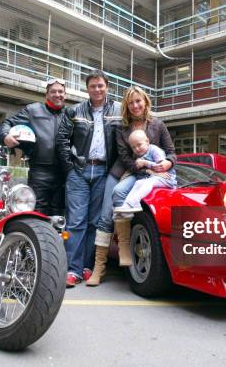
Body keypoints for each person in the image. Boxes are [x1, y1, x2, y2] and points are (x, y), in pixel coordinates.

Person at [86, 86, 176, 286]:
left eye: (138, 101)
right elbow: (124, 156)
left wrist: (168, 163)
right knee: (106, 215)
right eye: (131, 102)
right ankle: (99, 267)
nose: (135, 106)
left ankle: (125, 248)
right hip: (125, 171)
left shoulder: (158, 125)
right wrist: (144, 169)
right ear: (126, 105)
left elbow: (171, 152)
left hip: (151, 175)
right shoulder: (122, 127)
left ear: (145, 102)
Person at [56, 70, 121, 288]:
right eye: (93, 86)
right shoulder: (74, 110)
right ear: (87, 88)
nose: (97, 89)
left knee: (95, 222)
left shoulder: (118, 111)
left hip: (104, 171)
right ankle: (72, 270)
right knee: (75, 222)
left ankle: (86, 266)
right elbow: (62, 140)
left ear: (107, 86)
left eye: (101, 85)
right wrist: (70, 169)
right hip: (80, 171)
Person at [0, 78, 67, 216]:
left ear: (65, 95)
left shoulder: (70, 114)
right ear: (46, 95)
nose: (57, 94)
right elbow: (7, 123)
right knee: (37, 213)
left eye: (61, 91)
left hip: (63, 173)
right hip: (40, 172)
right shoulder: (33, 110)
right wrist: (6, 136)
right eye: (53, 91)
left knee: (59, 215)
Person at [113, 130, 176, 213]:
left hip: (166, 178)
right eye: (133, 147)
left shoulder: (154, 150)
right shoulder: (141, 154)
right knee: (139, 183)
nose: (137, 149)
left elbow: (161, 167)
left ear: (147, 141)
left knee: (148, 183)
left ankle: (133, 203)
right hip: (156, 177)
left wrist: (145, 163)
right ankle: (127, 205)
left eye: (139, 145)